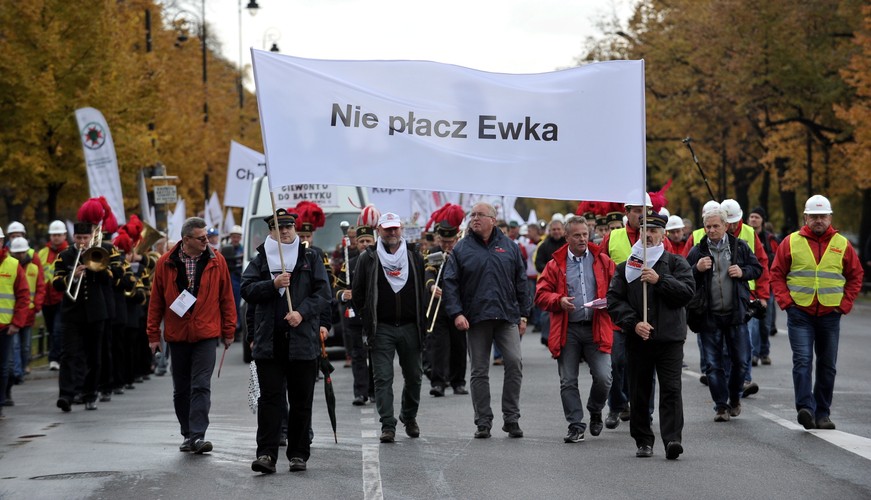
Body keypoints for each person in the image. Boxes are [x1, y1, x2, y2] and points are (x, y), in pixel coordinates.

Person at [243, 208, 330, 474]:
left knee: (301, 400)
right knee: (270, 400)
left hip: (302, 342)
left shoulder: (310, 257)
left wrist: (301, 312)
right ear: (270, 232)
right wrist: (273, 285)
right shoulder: (261, 259)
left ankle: (298, 454)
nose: (283, 232)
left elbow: (323, 293)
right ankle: (267, 454)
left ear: (295, 229)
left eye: (288, 227)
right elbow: (246, 289)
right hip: (270, 343)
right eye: (277, 228)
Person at [769, 195, 863, 430]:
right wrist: (786, 302)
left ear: (830, 217)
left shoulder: (842, 244)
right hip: (800, 312)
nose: (818, 220)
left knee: (827, 364)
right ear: (805, 217)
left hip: (830, 314)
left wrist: (845, 304)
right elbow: (776, 273)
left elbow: (856, 275)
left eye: (822, 216)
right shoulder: (791, 242)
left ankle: (823, 413)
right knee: (802, 360)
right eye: (814, 216)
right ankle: (805, 408)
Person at [607, 210, 694, 459]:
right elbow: (614, 301)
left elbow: (687, 293)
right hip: (639, 339)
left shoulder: (676, 263)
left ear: (663, 235)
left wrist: (660, 280)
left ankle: (672, 440)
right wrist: (633, 324)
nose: (650, 236)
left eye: (655, 231)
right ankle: (643, 440)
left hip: (669, 339)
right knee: (639, 391)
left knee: (671, 390)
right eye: (646, 231)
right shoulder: (628, 266)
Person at [147, 217, 237, 454]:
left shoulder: (217, 261)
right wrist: (153, 334)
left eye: (206, 237)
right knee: (181, 389)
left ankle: (198, 435)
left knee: (200, 385)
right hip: (178, 336)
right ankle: (187, 433)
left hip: (206, 333)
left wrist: (229, 330)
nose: (206, 241)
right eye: (201, 238)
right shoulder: (166, 263)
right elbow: (156, 302)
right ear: (186, 240)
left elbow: (226, 298)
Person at [443, 202, 531, 439]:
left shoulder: (510, 247)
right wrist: (457, 313)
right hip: (476, 318)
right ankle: (483, 421)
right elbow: (450, 284)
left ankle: (511, 418)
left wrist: (524, 314)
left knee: (514, 363)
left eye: (480, 215)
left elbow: (521, 282)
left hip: (506, 316)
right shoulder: (461, 249)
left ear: (493, 220)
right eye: (472, 215)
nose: (475, 219)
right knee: (479, 371)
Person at [535, 216, 615, 443]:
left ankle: (595, 409)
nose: (582, 239)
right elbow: (540, 295)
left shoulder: (602, 260)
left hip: (596, 326)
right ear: (567, 237)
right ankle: (576, 425)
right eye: (577, 235)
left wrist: (609, 301)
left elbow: (616, 289)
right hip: (567, 329)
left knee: (604, 378)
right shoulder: (555, 264)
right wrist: (558, 300)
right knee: (568, 380)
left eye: (585, 234)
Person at [352, 212, 426, 444]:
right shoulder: (368, 257)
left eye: (395, 228)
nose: (392, 233)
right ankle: (388, 425)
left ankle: (409, 416)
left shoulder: (414, 255)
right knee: (383, 378)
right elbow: (358, 294)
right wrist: (368, 319)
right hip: (381, 328)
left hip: (410, 327)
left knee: (414, 376)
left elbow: (422, 289)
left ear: (401, 229)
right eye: (387, 229)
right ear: (379, 231)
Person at [686, 207, 762, 422]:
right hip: (708, 315)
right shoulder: (698, 251)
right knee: (712, 363)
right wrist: (696, 269)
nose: (711, 230)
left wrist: (743, 272)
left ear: (726, 226)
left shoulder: (740, 247)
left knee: (740, 361)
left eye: (715, 226)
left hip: (736, 314)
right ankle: (721, 406)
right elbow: (683, 276)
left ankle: (735, 398)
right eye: (707, 226)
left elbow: (757, 269)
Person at [53, 216, 111, 412]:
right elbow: (56, 283)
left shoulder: (99, 253)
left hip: (95, 313)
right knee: (69, 354)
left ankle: (90, 393)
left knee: (94, 355)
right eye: (78, 237)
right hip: (72, 313)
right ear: (73, 237)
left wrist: (95, 266)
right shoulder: (65, 256)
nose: (82, 242)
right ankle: (66, 395)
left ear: (90, 238)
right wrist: (73, 276)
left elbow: (108, 280)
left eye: (85, 238)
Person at [425, 220, 468, 398]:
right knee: (439, 345)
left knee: (459, 344)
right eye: (443, 242)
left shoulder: (462, 253)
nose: (447, 245)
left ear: (456, 239)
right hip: (439, 305)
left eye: (450, 242)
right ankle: (438, 383)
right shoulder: (433, 253)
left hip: (458, 304)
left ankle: (458, 382)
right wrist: (431, 286)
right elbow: (428, 271)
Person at [335, 225, 375, 406]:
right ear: (356, 243)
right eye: (361, 241)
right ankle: (360, 392)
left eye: (368, 241)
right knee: (357, 354)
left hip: (375, 315)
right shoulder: (349, 263)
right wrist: (344, 294)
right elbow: (337, 287)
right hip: (354, 314)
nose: (364, 244)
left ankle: (375, 391)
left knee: (375, 354)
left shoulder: (381, 261)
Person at [0, 228, 30, 418]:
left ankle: (1, 402)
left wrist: (17, 323)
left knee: (3, 367)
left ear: (3, 242)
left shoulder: (12, 265)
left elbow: (23, 296)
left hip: (5, 327)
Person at [747, 207, 779, 365]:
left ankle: (764, 352)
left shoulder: (770, 239)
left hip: (768, 286)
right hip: (752, 288)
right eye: (751, 216)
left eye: (757, 217)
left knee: (765, 325)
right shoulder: (745, 236)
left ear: (762, 220)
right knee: (752, 324)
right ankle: (754, 354)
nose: (753, 219)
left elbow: (777, 260)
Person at [39, 220, 69, 371]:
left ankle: (54, 358)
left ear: (64, 235)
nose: (56, 237)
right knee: (52, 330)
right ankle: (58, 354)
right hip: (46, 299)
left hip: (61, 297)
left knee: (58, 329)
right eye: (53, 235)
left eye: (59, 234)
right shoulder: (42, 253)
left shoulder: (69, 252)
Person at [534, 218, 566, 345]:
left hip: (567, 281)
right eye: (554, 229)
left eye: (558, 229)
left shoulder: (568, 244)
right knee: (546, 312)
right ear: (550, 231)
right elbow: (538, 263)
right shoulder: (544, 245)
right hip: (550, 282)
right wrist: (551, 270)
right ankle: (546, 336)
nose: (556, 232)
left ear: (563, 230)